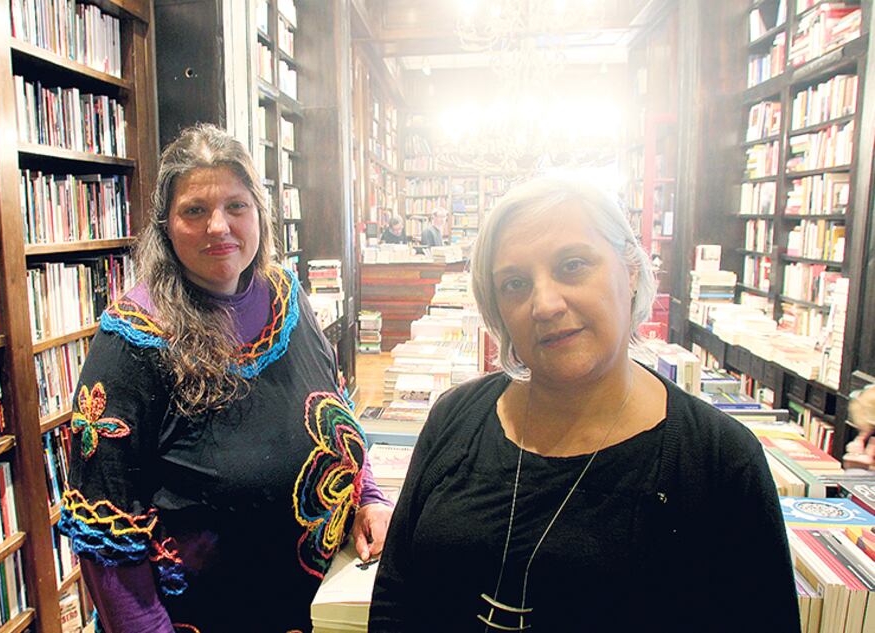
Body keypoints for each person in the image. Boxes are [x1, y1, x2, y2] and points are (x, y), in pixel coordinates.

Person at [369, 176, 799, 632]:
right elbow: (396, 594)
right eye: (515, 283)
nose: (545, 304)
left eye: (572, 265)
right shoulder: (454, 418)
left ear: (631, 270)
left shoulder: (719, 460)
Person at [58, 123, 393, 633]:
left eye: (236, 206)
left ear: (259, 213)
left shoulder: (287, 295)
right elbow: (106, 542)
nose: (219, 226)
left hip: (327, 602)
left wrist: (370, 497)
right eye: (195, 210)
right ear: (165, 226)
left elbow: (336, 417)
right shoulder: (131, 342)